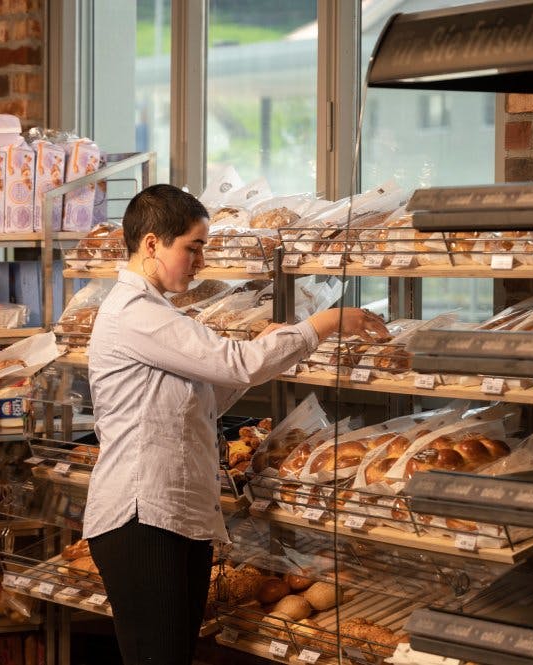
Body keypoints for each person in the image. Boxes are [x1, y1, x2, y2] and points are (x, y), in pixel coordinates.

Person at [84, 184, 388, 665]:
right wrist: (320, 325)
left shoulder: (158, 313)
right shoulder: (134, 314)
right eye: (193, 247)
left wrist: (264, 349)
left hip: (174, 515)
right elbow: (236, 364)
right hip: (141, 518)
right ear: (150, 245)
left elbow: (208, 396)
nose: (200, 261)